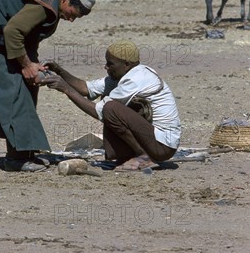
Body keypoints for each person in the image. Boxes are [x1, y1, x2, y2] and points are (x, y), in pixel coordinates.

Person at [0, 0, 97, 172]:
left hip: (8, 36)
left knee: (29, 84)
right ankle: (16, 159)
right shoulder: (46, 3)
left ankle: (26, 151)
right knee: (12, 88)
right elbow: (13, 31)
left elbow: (29, 37)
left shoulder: (54, 3)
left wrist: (33, 65)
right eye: (72, 14)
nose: (71, 20)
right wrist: (26, 65)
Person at [42, 40, 181, 171]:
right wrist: (59, 71)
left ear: (126, 64)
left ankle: (144, 157)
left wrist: (66, 88)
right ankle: (132, 155)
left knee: (110, 108)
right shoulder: (124, 74)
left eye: (110, 64)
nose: (106, 67)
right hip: (153, 140)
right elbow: (86, 88)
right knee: (108, 102)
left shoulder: (136, 79)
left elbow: (99, 111)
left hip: (163, 145)